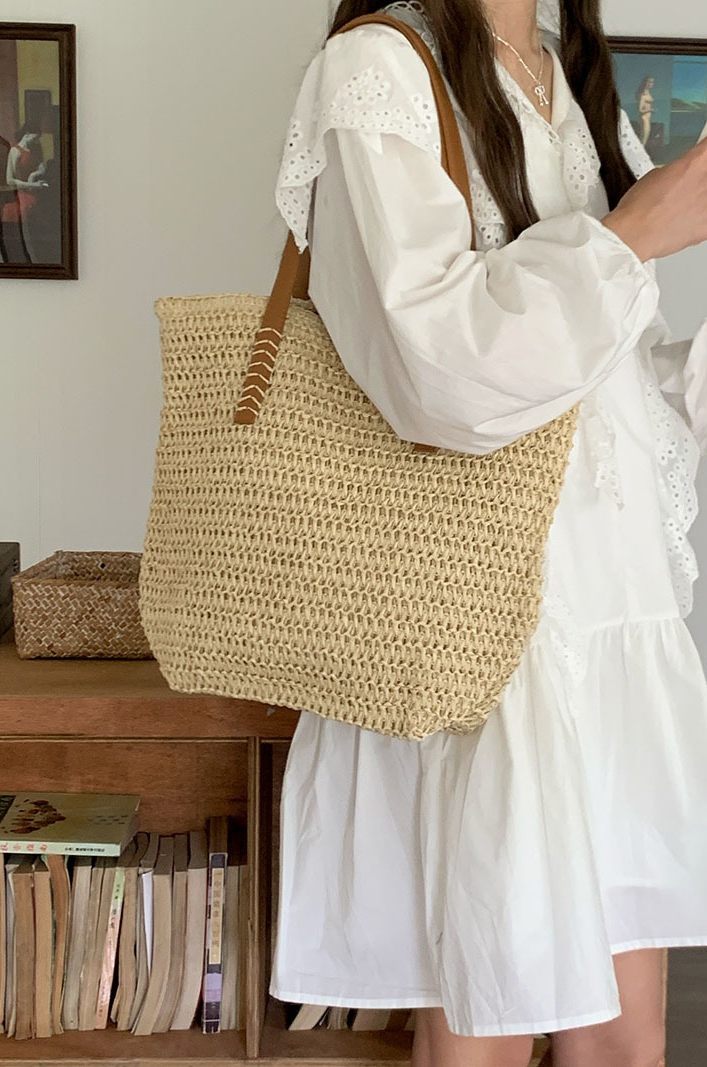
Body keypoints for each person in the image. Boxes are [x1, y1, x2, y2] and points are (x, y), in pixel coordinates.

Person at [269, 2, 707, 1066]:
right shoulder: (378, 66)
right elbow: (439, 373)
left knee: (623, 1035)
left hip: (607, 612)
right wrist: (637, 225)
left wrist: (641, 250)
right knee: (485, 1026)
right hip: (483, 627)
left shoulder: (564, 78)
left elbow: (617, 382)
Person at [637, 75, 655, 147]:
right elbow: (640, 109)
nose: (652, 84)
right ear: (646, 83)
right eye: (650, 82)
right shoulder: (643, 95)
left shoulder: (648, 93)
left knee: (645, 137)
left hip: (647, 118)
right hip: (644, 118)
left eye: (652, 82)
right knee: (643, 138)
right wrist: (650, 109)